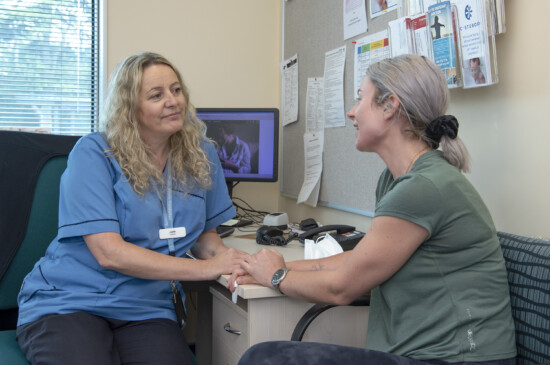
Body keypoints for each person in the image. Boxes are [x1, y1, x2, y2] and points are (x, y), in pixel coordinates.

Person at [230, 55, 517, 365]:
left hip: (460, 360)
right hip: (421, 355)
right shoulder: (396, 180)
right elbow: (359, 260)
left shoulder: (423, 187)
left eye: (360, 98)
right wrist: (269, 265)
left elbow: (342, 288)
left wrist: (276, 276)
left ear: (389, 105)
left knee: (264, 358)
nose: (352, 112)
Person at [16, 52, 246, 365]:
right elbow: (109, 253)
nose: (172, 101)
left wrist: (236, 262)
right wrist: (205, 269)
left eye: (176, 90)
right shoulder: (95, 153)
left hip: (146, 307)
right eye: (156, 95)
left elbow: (207, 240)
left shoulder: (201, 154)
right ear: (130, 108)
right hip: (71, 301)